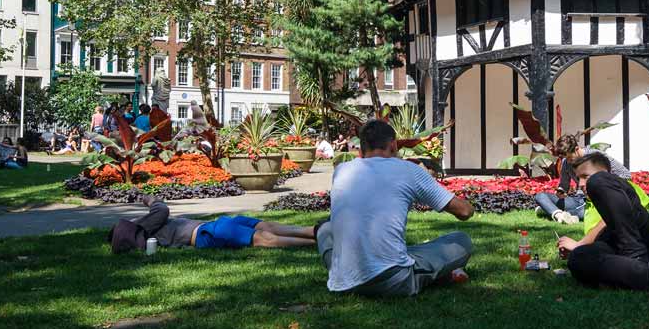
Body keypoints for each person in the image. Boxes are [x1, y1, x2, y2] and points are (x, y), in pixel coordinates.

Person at [317, 119, 475, 297]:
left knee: (325, 228)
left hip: (342, 283)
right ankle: (438, 276)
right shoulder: (408, 170)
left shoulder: (342, 170)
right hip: (391, 279)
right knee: (462, 240)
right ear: (393, 144)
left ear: (361, 148)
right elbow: (464, 212)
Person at [556, 152, 649, 302]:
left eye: (585, 176)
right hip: (616, 246)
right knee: (578, 258)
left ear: (607, 173)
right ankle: (638, 274)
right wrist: (578, 250)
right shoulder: (590, 202)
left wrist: (579, 244)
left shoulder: (609, 185)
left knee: (597, 182)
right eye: (578, 179)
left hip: (642, 237)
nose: (581, 184)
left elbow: (617, 216)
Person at [109, 195, 317, 253]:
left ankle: (315, 232)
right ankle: (317, 239)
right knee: (262, 237)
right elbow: (161, 210)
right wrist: (150, 200)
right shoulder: (143, 228)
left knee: (264, 226)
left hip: (212, 226)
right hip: (206, 232)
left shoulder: (144, 237)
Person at [534, 134, 631, 225]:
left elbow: (625, 174)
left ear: (576, 149)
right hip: (578, 200)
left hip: (597, 201)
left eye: (569, 158)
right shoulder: (566, 163)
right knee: (540, 196)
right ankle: (559, 215)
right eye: (565, 158)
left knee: (586, 212)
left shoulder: (596, 157)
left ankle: (550, 210)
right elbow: (564, 186)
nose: (567, 161)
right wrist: (561, 191)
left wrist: (606, 188)